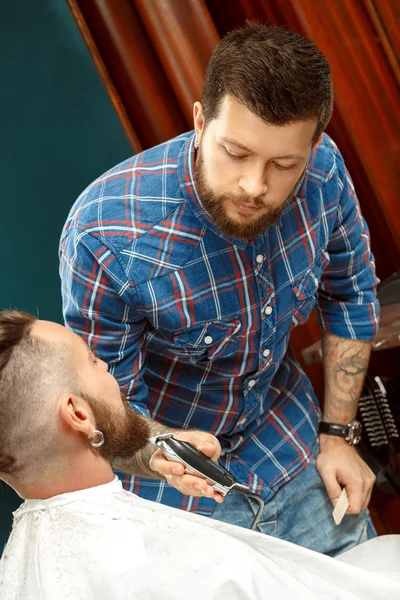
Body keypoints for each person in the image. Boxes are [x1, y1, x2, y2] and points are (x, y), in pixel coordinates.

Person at [59, 24, 379, 556]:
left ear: (313, 146)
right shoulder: (104, 234)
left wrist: (337, 434)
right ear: (200, 121)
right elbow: (107, 408)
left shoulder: (324, 173)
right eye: (235, 152)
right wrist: (157, 452)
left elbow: (350, 292)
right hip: (183, 501)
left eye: (283, 165)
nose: (255, 185)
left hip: (296, 454)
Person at [0, 310, 399, 600]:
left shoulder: (15, 569)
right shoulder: (179, 567)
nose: (107, 367)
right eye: (92, 361)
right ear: (79, 414)